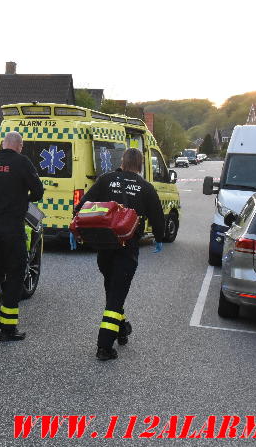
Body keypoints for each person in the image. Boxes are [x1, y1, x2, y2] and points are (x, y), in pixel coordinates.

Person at [74, 147, 164, 361]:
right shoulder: (145, 187)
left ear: (122, 162)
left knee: (112, 290)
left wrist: (76, 227)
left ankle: (121, 329)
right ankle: (104, 347)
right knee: (115, 298)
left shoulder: (106, 180)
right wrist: (159, 238)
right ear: (141, 165)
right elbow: (157, 216)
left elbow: (83, 205)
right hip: (127, 248)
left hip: (104, 246)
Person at [0, 131, 44, 341]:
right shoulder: (22, 163)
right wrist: (21, 199)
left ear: (3, 144)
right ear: (19, 146)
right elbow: (38, 192)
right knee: (15, 273)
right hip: (13, 227)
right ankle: (7, 329)